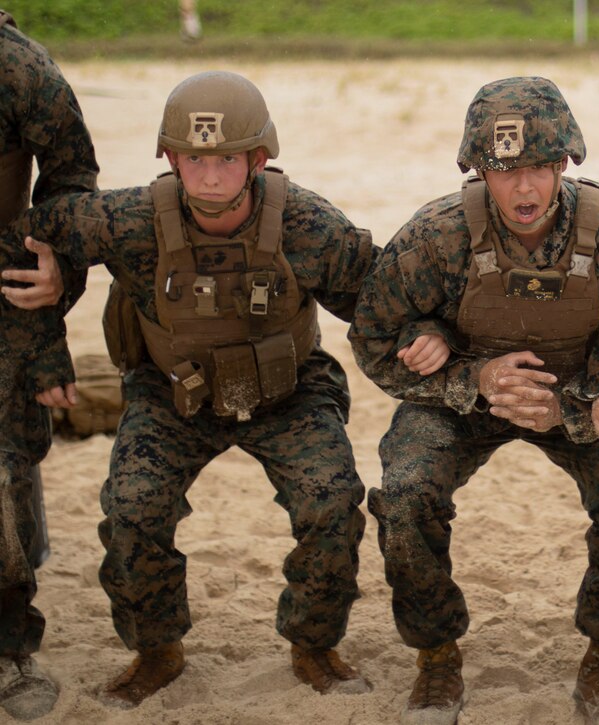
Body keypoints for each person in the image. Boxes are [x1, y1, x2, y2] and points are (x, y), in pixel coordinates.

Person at [0, 70, 384, 709]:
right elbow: (27, 239)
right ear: (172, 158)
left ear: (258, 158)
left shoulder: (306, 224)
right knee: (132, 507)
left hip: (286, 393)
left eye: (227, 158)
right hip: (172, 395)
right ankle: (157, 650)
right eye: (195, 158)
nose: (210, 175)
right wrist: (50, 310)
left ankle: (314, 644)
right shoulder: (129, 219)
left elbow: (380, 298)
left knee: (333, 503)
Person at [349, 76, 599, 725]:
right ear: (481, 169)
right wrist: (466, 377)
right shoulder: (439, 234)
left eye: (539, 166)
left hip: (581, 397)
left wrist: (593, 398)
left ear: (564, 162)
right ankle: (436, 657)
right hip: (467, 397)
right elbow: (370, 336)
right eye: (506, 169)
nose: (525, 188)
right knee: (404, 490)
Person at [0, 9, 98, 720]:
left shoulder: (21, 69)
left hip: (4, 291)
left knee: (8, 457)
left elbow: (71, 181)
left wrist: (60, 263)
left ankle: (9, 647)